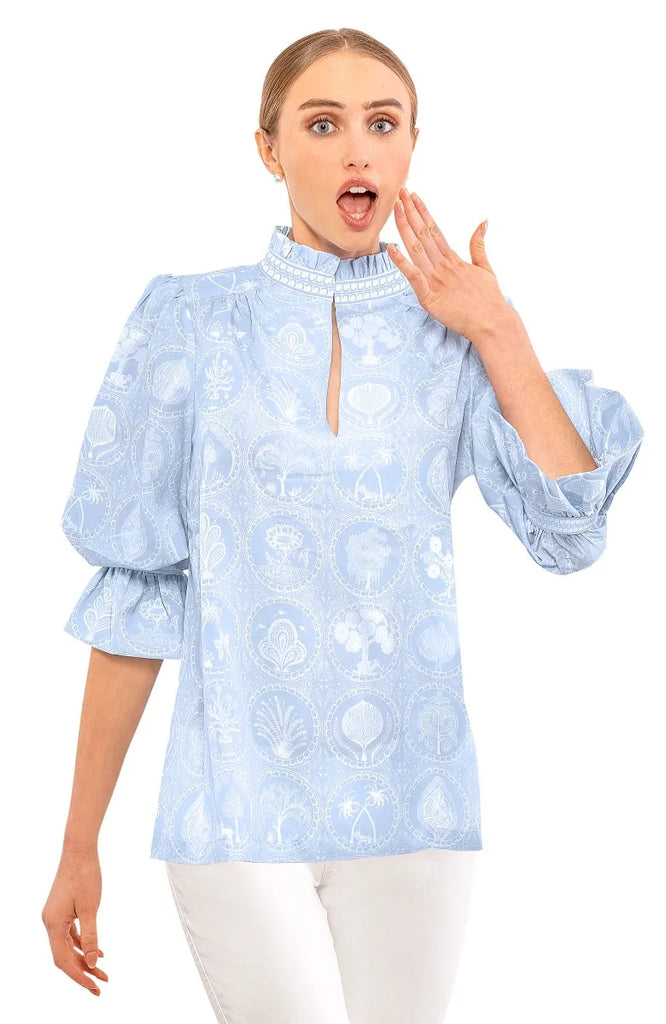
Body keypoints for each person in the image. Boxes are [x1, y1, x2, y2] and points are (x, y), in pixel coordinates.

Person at [42, 26, 644, 1024]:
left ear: (412, 146)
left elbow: (570, 530)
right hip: (234, 801)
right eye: (323, 125)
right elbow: (137, 591)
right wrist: (78, 842)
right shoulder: (190, 322)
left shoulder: (452, 335)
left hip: (416, 800)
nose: (358, 150)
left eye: (383, 124)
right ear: (269, 149)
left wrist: (496, 329)